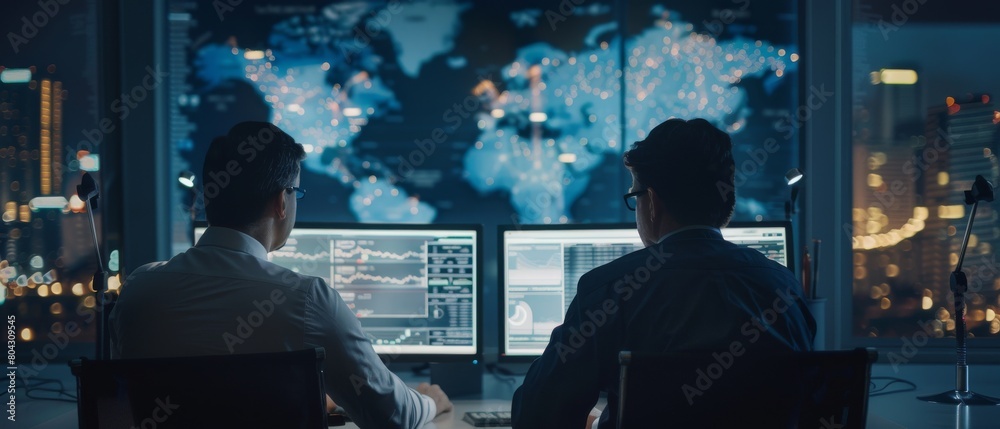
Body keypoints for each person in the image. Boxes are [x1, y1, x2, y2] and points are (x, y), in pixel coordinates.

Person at [109, 121, 452, 429]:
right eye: (296, 191)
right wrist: (429, 401)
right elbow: (393, 418)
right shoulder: (305, 300)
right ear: (281, 202)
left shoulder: (139, 289)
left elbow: (199, 395)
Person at [510, 118, 816, 428]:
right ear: (727, 200)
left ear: (652, 202)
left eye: (635, 197)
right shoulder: (785, 289)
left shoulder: (609, 290)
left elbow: (536, 417)